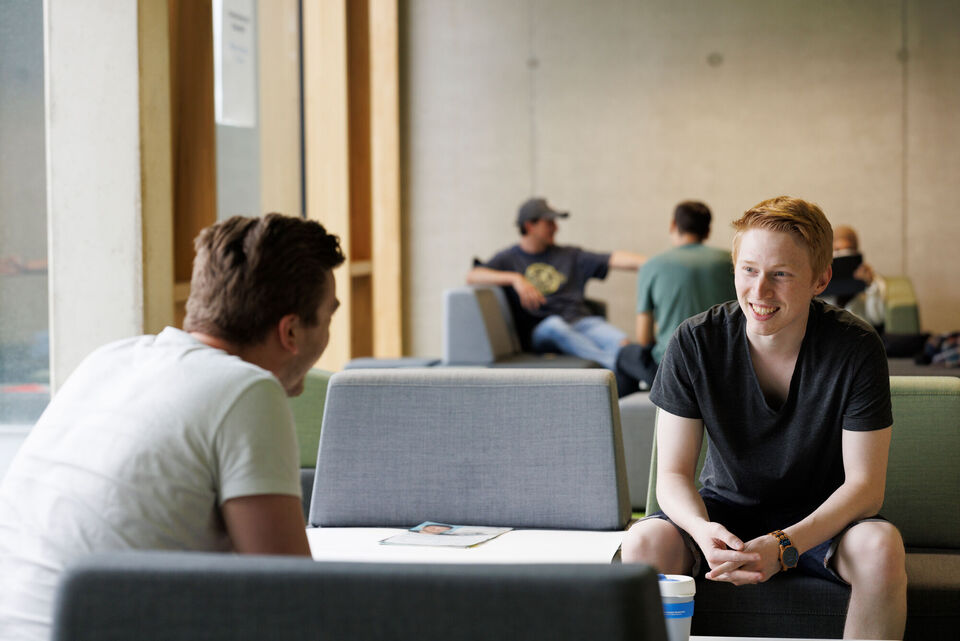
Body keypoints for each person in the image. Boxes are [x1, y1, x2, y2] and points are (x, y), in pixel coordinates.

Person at [0, 213, 344, 641]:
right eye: (328, 318)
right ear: (290, 331)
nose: (329, 333)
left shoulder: (109, 359)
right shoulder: (246, 389)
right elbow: (292, 599)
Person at [621, 196, 907, 640]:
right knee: (642, 541)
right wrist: (701, 531)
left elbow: (865, 488)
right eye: (749, 270)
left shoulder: (855, 347)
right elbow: (673, 475)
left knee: (882, 547)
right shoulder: (695, 342)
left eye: (781, 275)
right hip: (722, 513)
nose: (759, 291)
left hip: (822, 520)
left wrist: (785, 545)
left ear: (820, 278)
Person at [467, 197, 645, 370]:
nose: (556, 228)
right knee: (555, 326)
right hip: (542, 329)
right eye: (549, 223)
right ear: (530, 226)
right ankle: (615, 367)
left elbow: (613, 258)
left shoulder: (570, 255)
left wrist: (654, 265)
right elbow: (473, 276)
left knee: (620, 341)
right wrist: (515, 279)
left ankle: (640, 369)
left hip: (581, 321)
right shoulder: (509, 259)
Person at [619, 201, 735, 388]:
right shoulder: (732, 262)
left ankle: (643, 408)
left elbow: (643, 337)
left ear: (673, 225)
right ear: (707, 231)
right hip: (723, 365)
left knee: (624, 355)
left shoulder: (651, 266)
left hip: (671, 368)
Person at [827, 225, 886, 330]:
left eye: (848, 250)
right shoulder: (822, 279)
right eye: (837, 250)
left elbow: (877, 318)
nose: (843, 254)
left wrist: (870, 285)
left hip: (861, 335)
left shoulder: (874, 281)